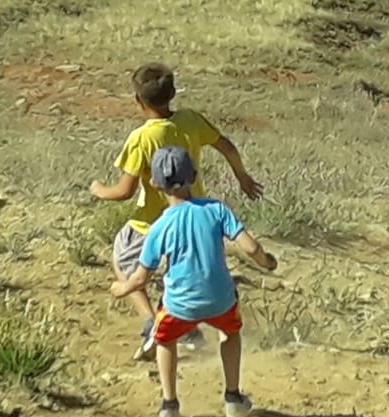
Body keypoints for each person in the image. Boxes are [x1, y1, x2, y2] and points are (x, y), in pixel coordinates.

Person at [90, 63, 263, 360]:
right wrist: (242, 176)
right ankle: (188, 328)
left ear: (138, 100)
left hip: (152, 222)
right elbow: (226, 146)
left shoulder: (141, 138)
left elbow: (124, 191)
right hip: (194, 212)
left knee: (123, 258)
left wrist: (98, 189)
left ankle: (153, 324)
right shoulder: (191, 120)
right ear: (172, 94)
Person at [110, 146, 278, 417]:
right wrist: (267, 262)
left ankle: (170, 405)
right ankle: (233, 398)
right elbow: (251, 247)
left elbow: (140, 278)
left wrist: (121, 288)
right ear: (195, 176)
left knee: (165, 340)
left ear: (154, 184)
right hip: (221, 300)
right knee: (230, 333)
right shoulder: (216, 209)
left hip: (179, 305)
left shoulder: (159, 226)